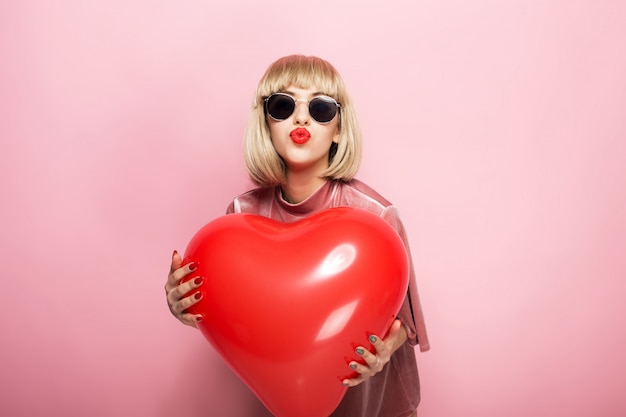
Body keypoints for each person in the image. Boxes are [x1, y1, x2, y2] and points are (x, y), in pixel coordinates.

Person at [165, 54, 430, 417]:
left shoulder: (376, 217)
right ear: (266, 122)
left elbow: (406, 323)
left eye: (320, 108)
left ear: (338, 128)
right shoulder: (240, 219)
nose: (301, 118)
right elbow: (230, 313)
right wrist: (184, 303)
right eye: (283, 105)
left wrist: (384, 349)